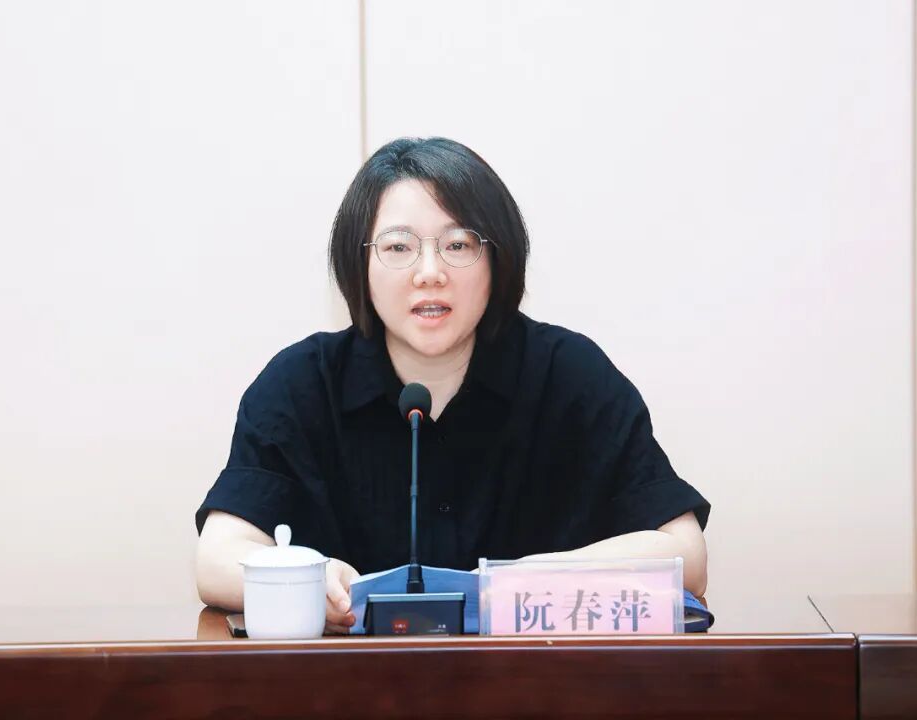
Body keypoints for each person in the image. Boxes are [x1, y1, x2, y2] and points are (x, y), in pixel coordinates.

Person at [195, 137, 710, 634]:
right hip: (349, 686)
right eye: (398, 246)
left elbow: (684, 554)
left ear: (497, 258)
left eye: (458, 244)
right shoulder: (302, 384)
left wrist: (530, 580)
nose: (429, 272)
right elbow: (216, 559)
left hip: (538, 683)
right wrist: (307, 579)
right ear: (360, 263)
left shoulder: (570, 376)